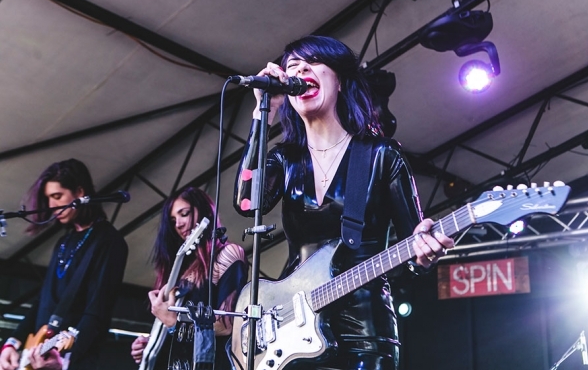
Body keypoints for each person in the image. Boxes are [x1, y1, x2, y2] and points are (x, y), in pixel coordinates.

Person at [232, 35, 455, 370]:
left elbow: (413, 252)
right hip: (293, 329)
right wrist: (265, 111)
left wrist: (421, 260)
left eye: (314, 61)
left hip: (365, 335)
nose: (301, 68)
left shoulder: (381, 156)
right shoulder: (286, 159)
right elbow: (247, 202)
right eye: (293, 65)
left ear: (339, 80)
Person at [0, 158, 129, 370]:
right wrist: (12, 343)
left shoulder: (108, 242)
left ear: (79, 193)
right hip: (38, 354)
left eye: (57, 196)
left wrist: (65, 361)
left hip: (73, 361)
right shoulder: (63, 242)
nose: (51, 205)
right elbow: (43, 300)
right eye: (48, 198)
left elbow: (97, 312)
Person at [130, 187, 248, 370]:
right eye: (173, 220)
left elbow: (227, 326)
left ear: (204, 212)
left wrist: (173, 322)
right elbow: (178, 333)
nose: (177, 224)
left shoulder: (227, 254)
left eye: (184, 214)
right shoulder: (181, 268)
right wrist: (154, 343)